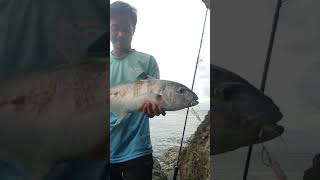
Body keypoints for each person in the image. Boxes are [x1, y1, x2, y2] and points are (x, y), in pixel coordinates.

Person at [110, 1, 166, 180]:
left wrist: (154, 109)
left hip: (138, 149)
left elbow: (155, 105)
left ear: (134, 29)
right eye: (115, 28)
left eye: (126, 29)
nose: (121, 34)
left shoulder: (148, 61)